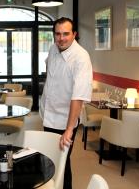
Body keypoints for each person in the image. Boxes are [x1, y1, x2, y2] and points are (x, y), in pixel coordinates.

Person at [39, 17, 92, 189]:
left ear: (74, 34)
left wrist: (69, 129)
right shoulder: (53, 48)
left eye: (66, 34)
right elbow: (51, 74)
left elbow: (78, 96)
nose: (61, 38)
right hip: (48, 114)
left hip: (65, 119)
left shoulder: (81, 57)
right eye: (58, 34)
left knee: (62, 160)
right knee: (49, 157)